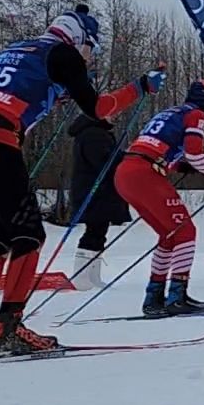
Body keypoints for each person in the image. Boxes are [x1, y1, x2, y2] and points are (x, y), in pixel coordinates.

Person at [0, 6, 161, 353]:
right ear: (78, 40)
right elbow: (99, 109)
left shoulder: (17, 49)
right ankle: (9, 326)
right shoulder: (65, 54)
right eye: (92, 49)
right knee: (29, 235)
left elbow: (24, 87)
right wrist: (140, 87)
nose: (89, 58)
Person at [116, 81, 204, 316]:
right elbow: (194, 152)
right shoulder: (196, 115)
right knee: (185, 232)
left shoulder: (171, 112)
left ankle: (154, 297)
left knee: (168, 235)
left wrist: (177, 165)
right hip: (144, 173)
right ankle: (177, 296)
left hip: (126, 172)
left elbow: (155, 145)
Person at [68, 110, 130, 287]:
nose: (114, 117)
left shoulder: (97, 133)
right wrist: (124, 157)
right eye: (110, 114)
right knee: (94, 231)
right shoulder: (93, 134)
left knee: (99, 231)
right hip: (94, 191)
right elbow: (104, 161)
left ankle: (92, 276)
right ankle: (81, 277)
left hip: (99, 191)